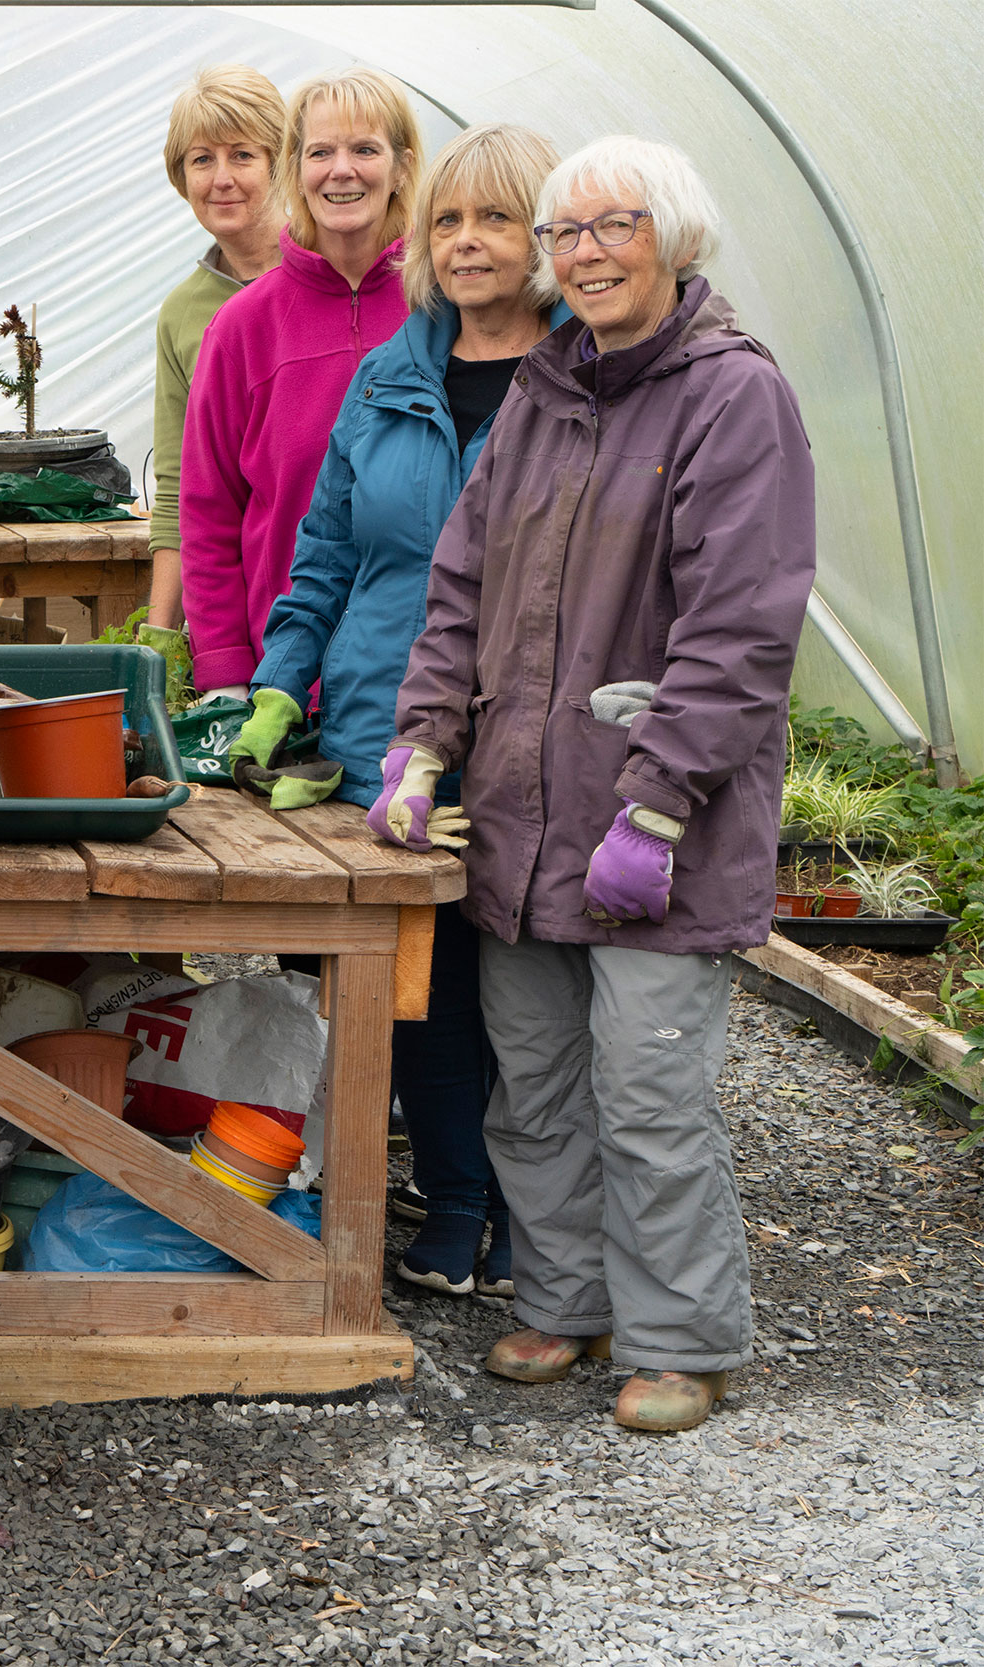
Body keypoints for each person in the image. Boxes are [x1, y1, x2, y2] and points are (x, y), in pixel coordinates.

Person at [373, 136, 814, 1433]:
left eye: (615, 226)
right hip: (524, 805)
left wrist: (665, 799)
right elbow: (463, 587)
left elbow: (743, 625)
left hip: (652, 825)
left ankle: (681, 1335)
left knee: (650, 1084)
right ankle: (565, 1300)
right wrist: (420, 744)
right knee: (540, 1080)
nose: (588, 253)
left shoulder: (734, 397)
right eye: (569, 234)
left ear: (675, 241)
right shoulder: (548, 392)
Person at [228, 123, 567, 1301]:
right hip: (386, 719)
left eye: (497, 220)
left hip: (527, 731)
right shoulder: (394, 374)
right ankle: (459, 1193)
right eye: (449, 222)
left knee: (523, 980)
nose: (467, 245)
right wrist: (281, 680)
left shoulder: (584, 382)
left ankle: (532, 1204)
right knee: (421, 983)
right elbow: (323, 548)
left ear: (546, 239)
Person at [179, 67, 418, 699]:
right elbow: (208, 511)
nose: (342, 171)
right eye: (320, 152)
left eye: (365, 149)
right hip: (285, 682)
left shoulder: (444, 306)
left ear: (402, 165)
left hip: (431, 685)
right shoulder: (244, 325)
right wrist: (226, 672)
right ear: (295, 167)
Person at [145, 65, 288, 635]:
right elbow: (179, 487)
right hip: (238, 603)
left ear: (280, 163)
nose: (221, 178)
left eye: (242, 155)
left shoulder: (339, 274)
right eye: (202, 159)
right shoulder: (184, 315)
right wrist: (159, 640)